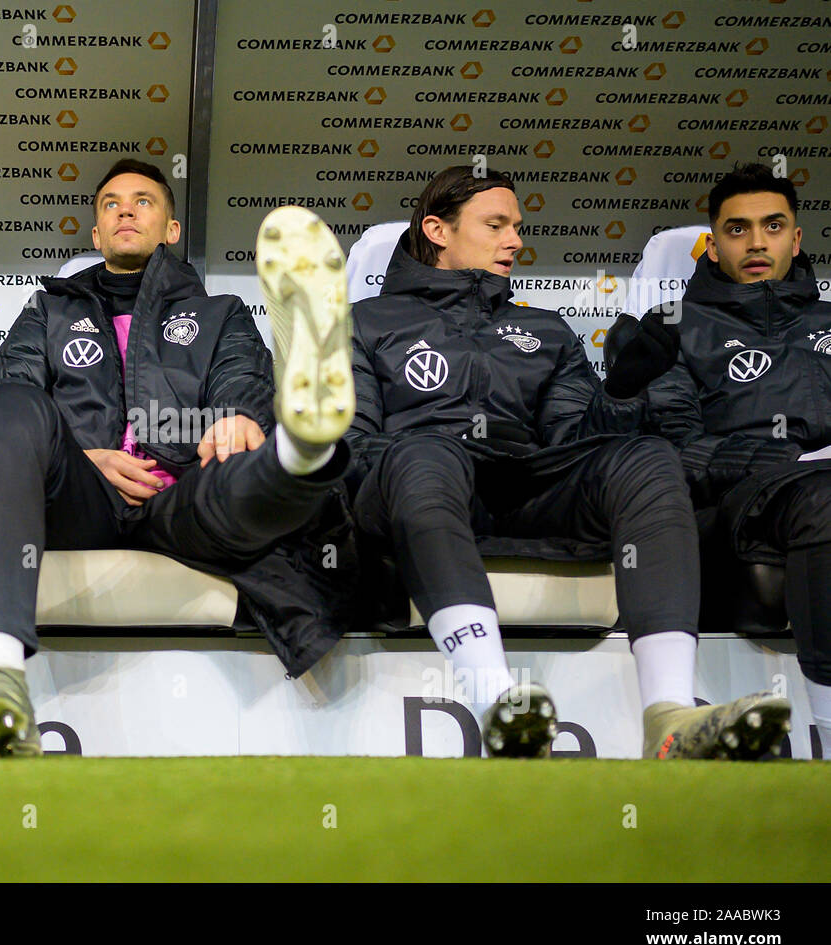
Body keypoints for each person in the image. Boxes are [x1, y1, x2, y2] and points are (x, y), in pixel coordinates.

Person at [0, 159, 356, 756]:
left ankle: (302, 442)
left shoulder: (221, 316)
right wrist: (88, 457)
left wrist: (241, 416)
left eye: (143, 201)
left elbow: (239, 381)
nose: (125, 210)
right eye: (110, 204)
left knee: (244, 449)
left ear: (172, 230)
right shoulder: (47, 312)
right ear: (95, 235)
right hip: (83, 500)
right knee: (8, 403)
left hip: (183, 498)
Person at [347, 164, 791, 759]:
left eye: (518, 226)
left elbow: (577, 440)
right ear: (438, 230)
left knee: (646, 457)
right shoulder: (364, 323)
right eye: (496, 224)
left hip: (523, 486)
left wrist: (623, 390)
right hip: (414, 490)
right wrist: (429, 449)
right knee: (427, 455)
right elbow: (348, 446)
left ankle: (670, 714)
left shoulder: (546, 328)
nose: (515, 240)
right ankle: (495, 698)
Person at [639, 162, 830, 757]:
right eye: (737, 229)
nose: (756, 242)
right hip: (740, 505)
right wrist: (786, 460)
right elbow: (675, 448)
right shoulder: (674, 328)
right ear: (714, 242)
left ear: (796, 239)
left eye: (773, 226)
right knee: (823, 497)